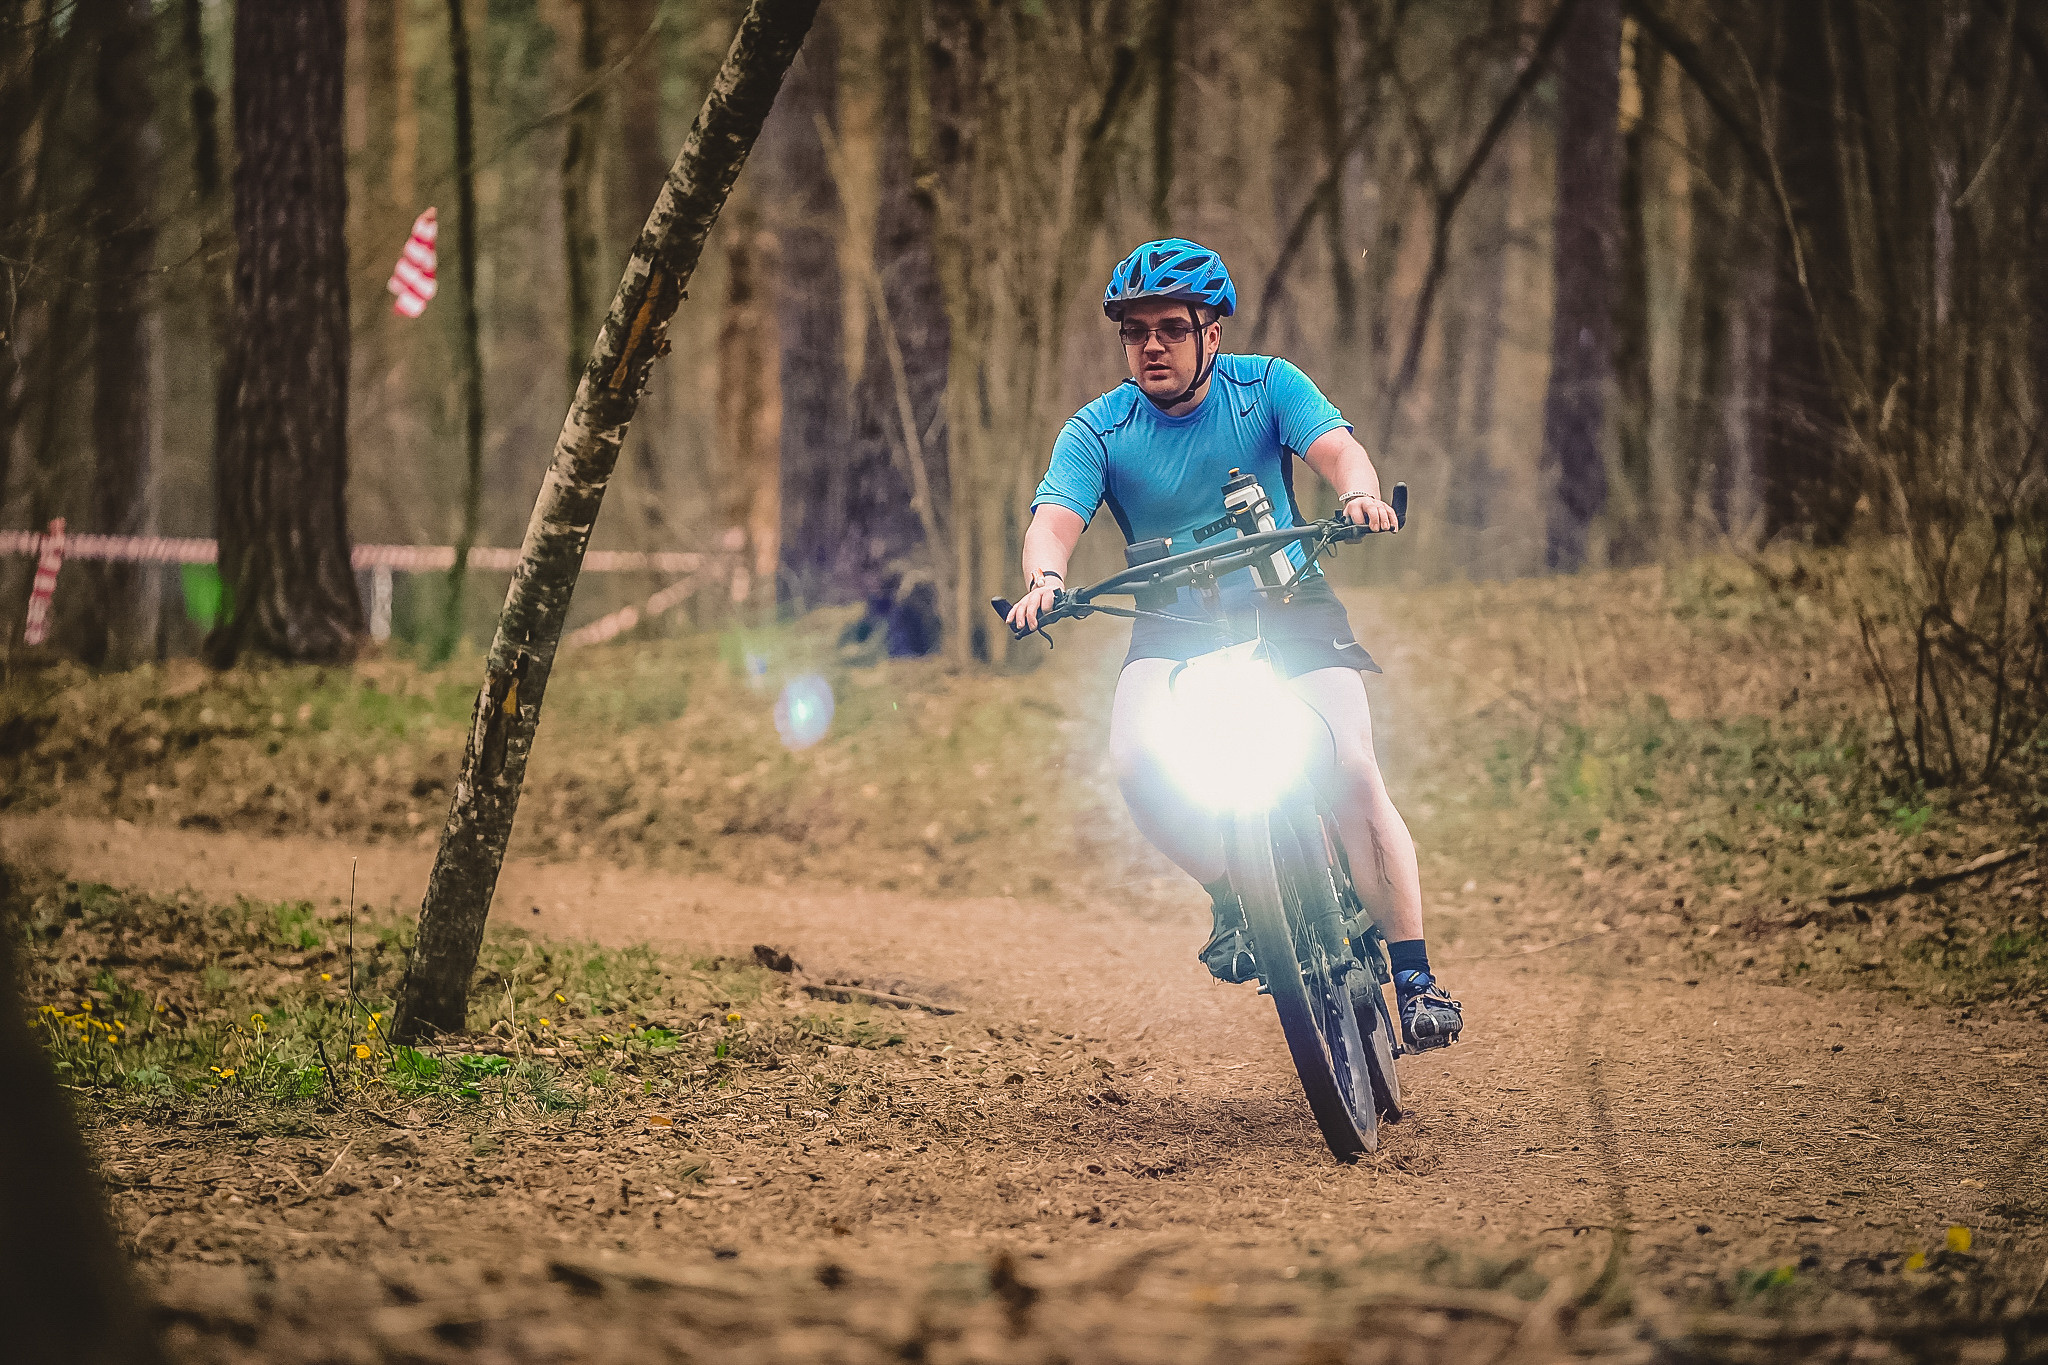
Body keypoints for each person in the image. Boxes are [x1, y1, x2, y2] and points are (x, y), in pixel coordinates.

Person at [1006, 238, 1464, 1052]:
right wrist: (1044, 580)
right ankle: (1232, 897)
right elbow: (1054, 522)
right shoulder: (1099, 430)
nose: (1151, 345)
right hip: (1174, 626)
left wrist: (1358, 495)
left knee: (1350, 766)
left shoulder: (1267, 386)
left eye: (1171, 328)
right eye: (1135, 331)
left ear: (1211, 333)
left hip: (1289, 601)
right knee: (1135, 763)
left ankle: (1416, 976)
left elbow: (1338, 450)